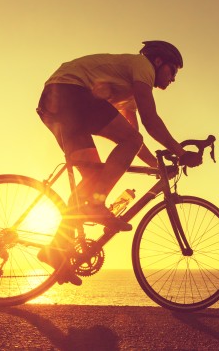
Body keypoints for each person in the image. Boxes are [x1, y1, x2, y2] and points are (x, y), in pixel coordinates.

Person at [36, 41, 202, 285]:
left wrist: (156, 167)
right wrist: (180, 152)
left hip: (55, 102)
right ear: (158, 62)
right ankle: (97, 205)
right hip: (69, 91)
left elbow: (134, 140)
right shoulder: (142, 66)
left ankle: (54, 251)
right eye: (173, 70)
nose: (174, 78)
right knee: (97, 189)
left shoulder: (129, 95)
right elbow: (150, 121)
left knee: (91, 182)